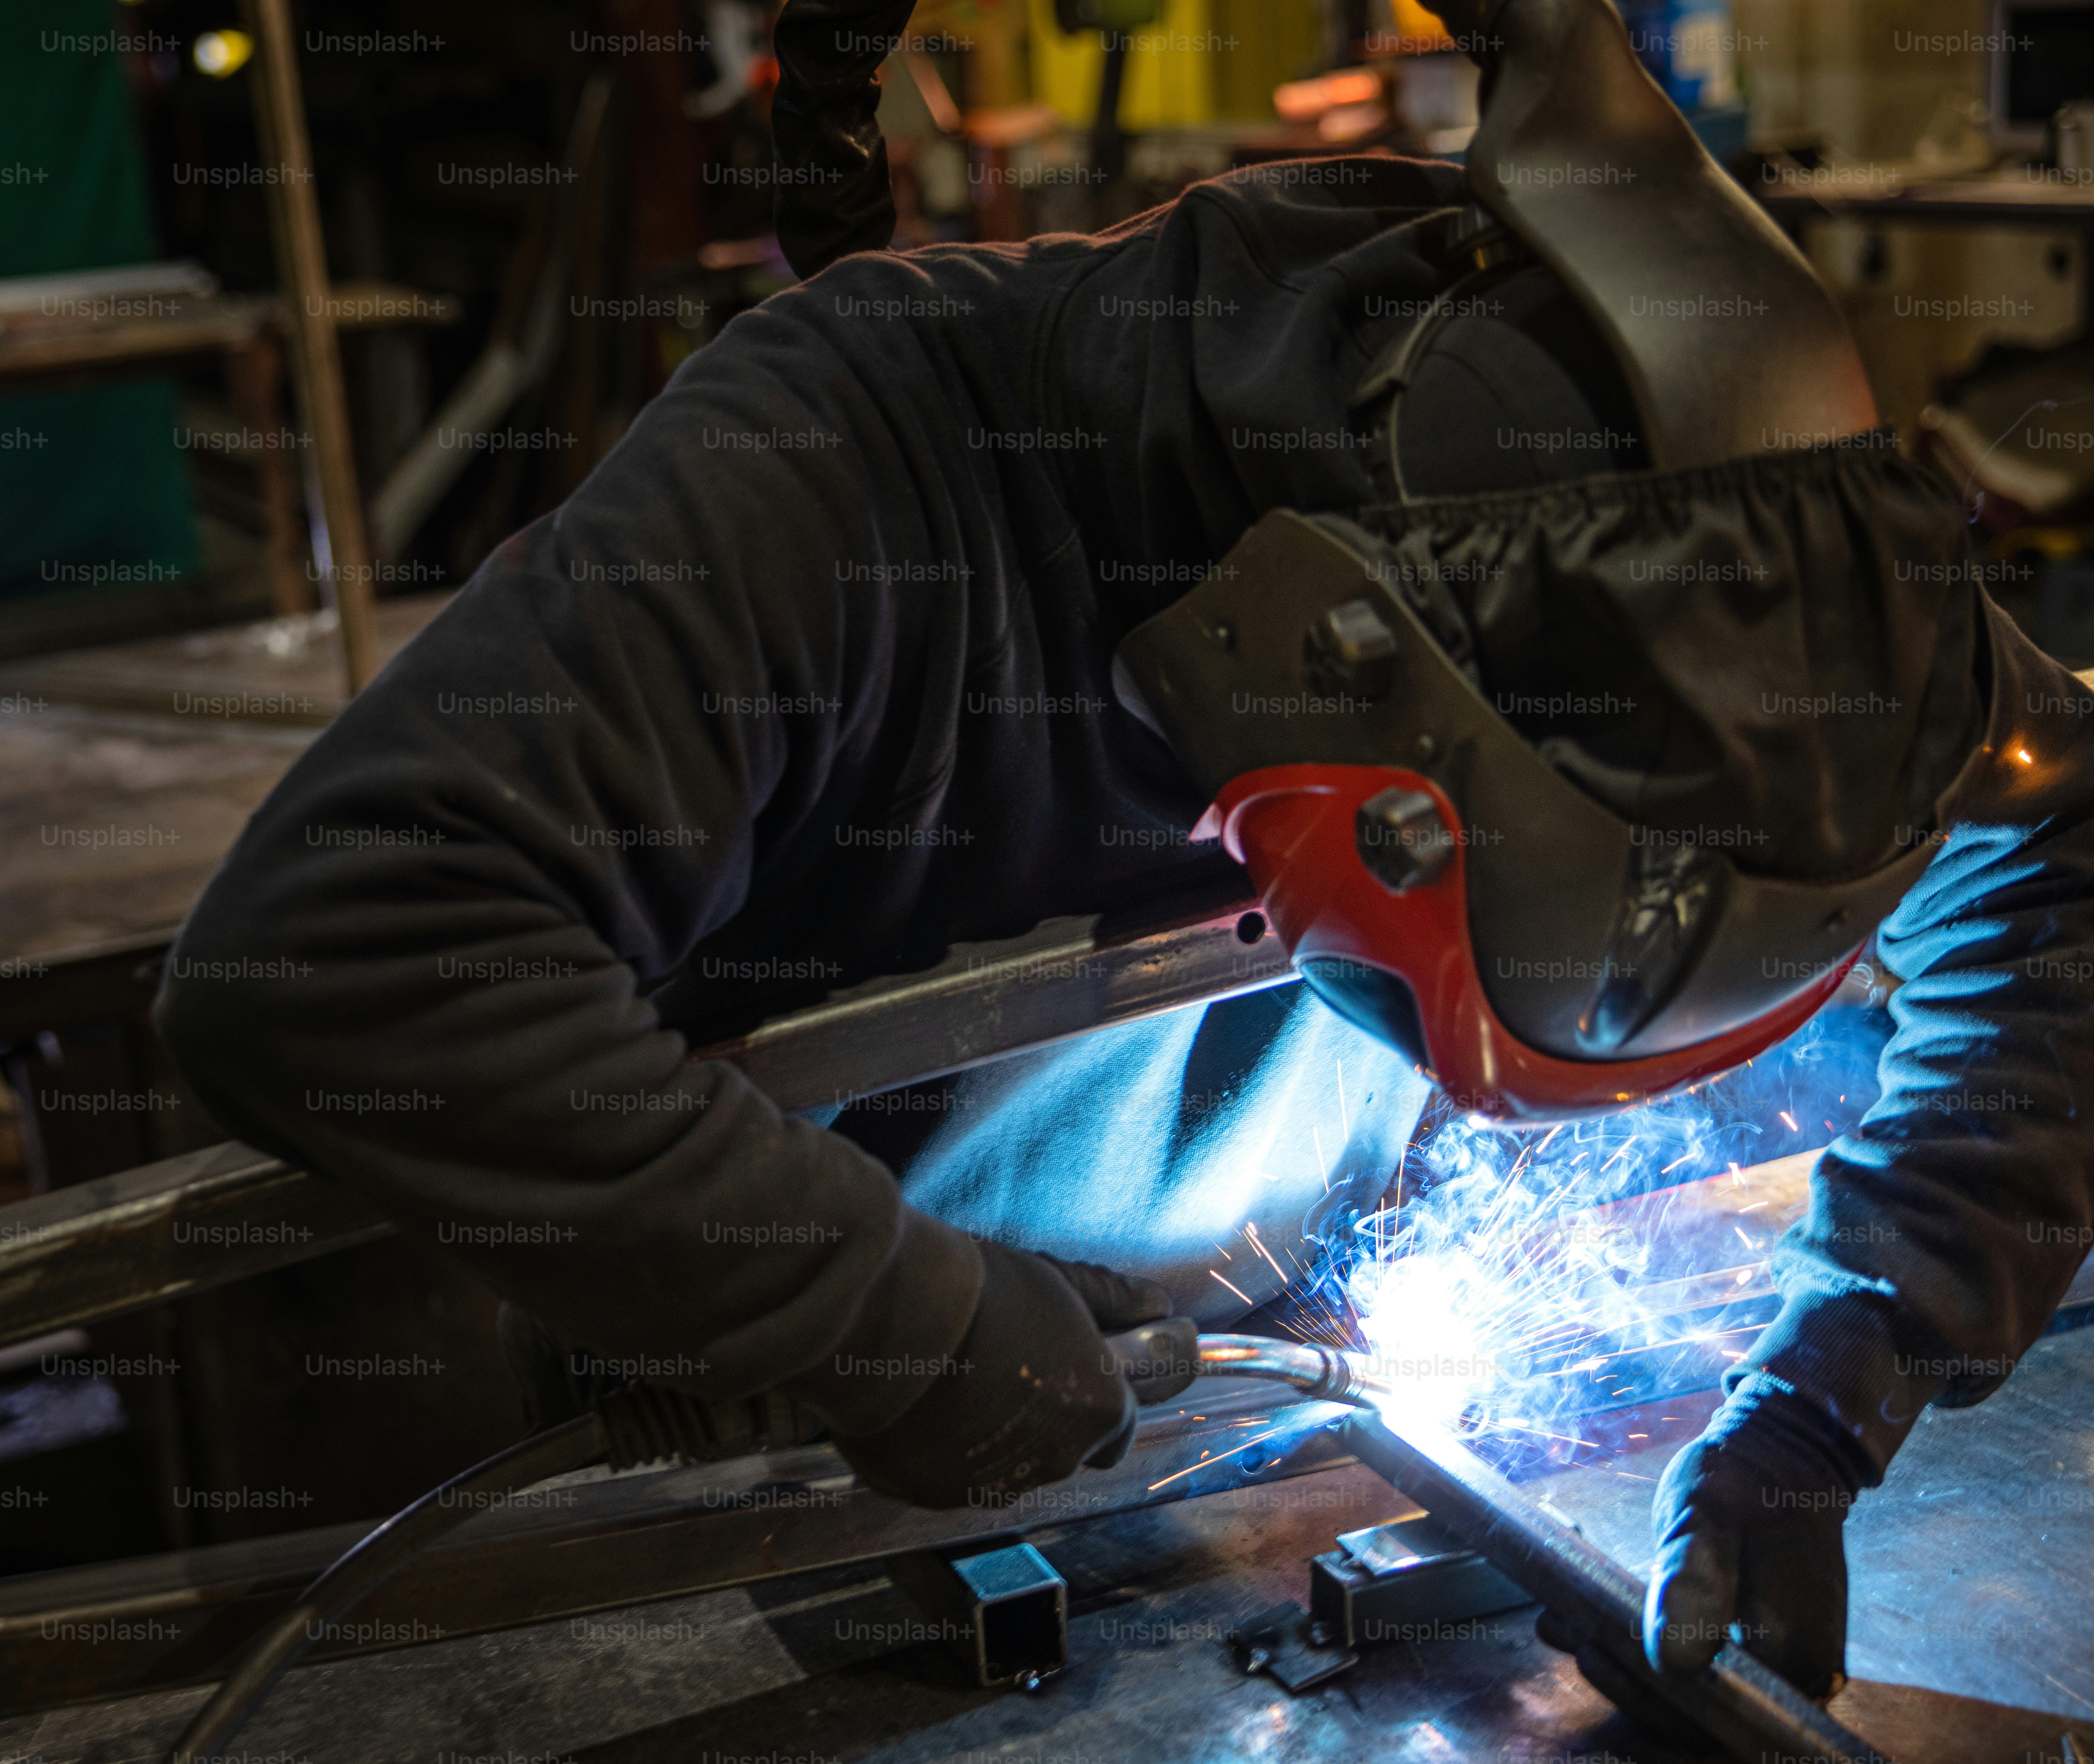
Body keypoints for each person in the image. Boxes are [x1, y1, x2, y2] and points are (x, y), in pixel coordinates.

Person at [156, 0, 2094, 1727]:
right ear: (1332, 681)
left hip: (1277, 1430)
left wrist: (1844, 1365)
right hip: (801, 1500)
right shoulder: (835, 472)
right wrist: (887, 1318)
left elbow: (2056, 851)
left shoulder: (1729, 533)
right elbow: (343, 953)